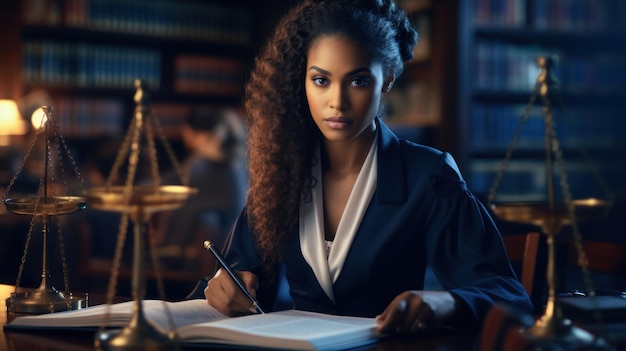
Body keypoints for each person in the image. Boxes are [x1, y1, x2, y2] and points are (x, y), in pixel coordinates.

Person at [199, 0, 533, 335]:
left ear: (387, 79)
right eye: (320, 80)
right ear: (301, 80)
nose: (337, 102)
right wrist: (224, 287)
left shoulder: (429, 175)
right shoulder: (281, 172)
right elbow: (238, 278)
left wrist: (443, 302)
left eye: (357, 81)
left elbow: (508, 295)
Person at [156, 106, 247, 270]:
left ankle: (168, 253)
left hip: (220, 238)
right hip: (236, 237)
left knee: (187, 209)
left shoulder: (204, 164)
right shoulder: (233, 160)